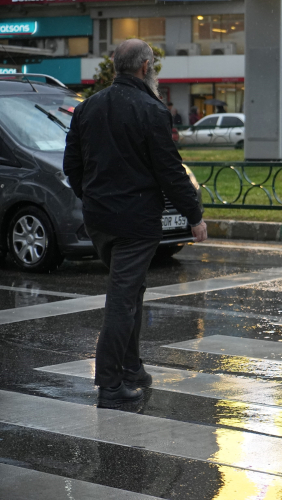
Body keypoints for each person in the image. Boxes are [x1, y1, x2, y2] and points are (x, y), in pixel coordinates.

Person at [63, 39, 208, 408]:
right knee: (123, 299)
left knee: (130, 291)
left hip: (99, 219)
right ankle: (110, 385)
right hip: (136, 221)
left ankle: (132, 368)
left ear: (116, 67)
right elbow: (169, 171)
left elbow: (72, 166)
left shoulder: (88, 108)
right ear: (145, 67)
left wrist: (92, 198)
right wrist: (194, 216)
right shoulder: (152, 110)